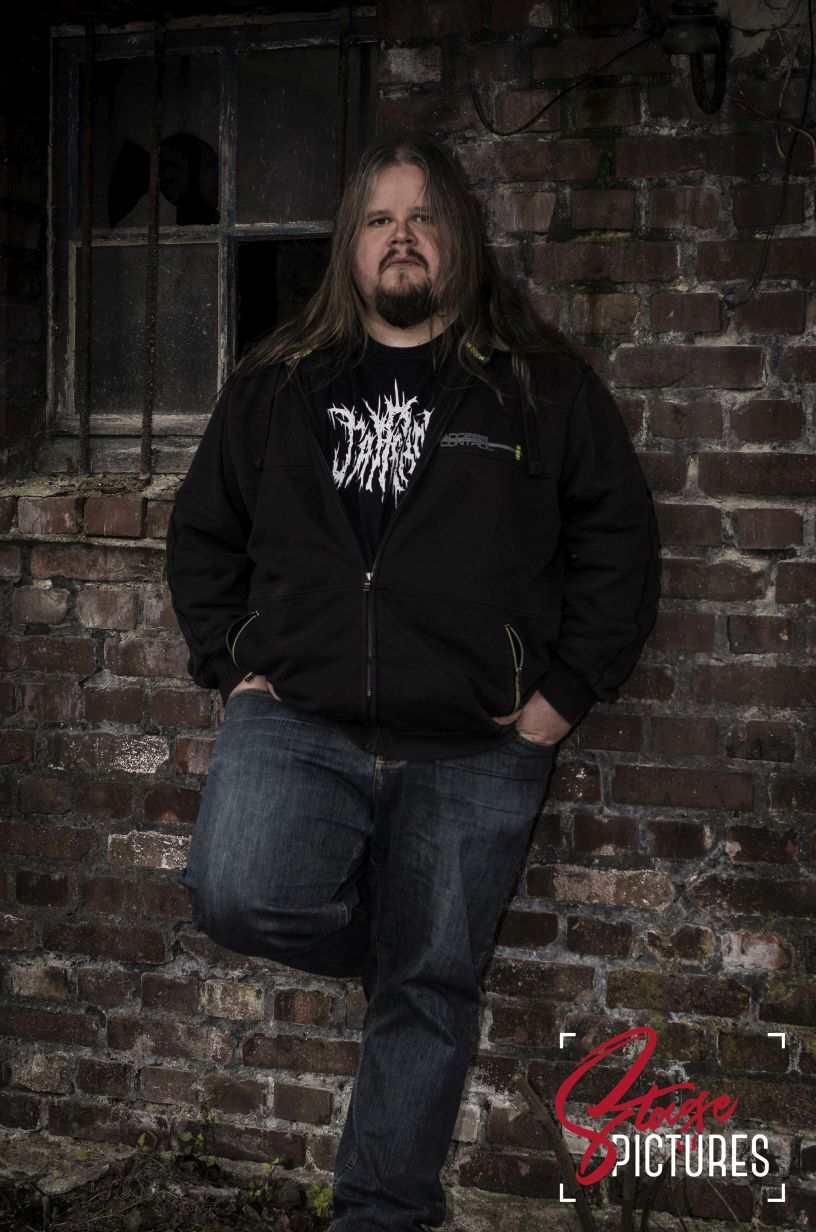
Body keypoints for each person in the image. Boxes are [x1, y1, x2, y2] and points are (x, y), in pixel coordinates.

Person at [165, 131, 660, 1232]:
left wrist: (560, 701)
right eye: (381, 219)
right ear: (351, 245)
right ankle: (410, 949)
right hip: (301, 719)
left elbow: (619, 542)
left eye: (423, 217)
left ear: (459, 240)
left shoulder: (540, 390)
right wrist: (235, 664)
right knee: (237, 892)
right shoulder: (277, 386)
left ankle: (381, 1213)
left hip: (477, 745)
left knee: (431, 990)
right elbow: (201, 534)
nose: (403, 237)